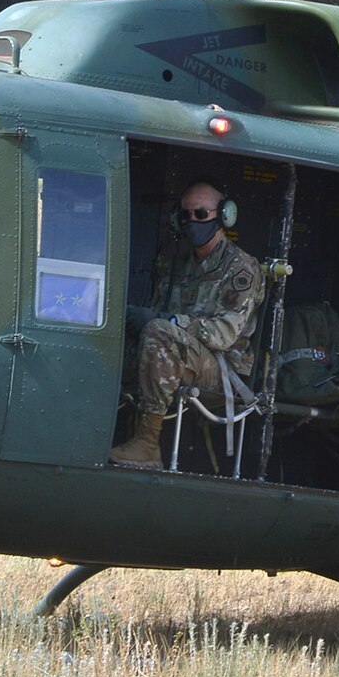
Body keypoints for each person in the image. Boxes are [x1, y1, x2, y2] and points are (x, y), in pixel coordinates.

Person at [108, 180, 266, 469]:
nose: (192, 221)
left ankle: (147, 444)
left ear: (224, 216)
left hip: (221, 370)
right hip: (180, 355)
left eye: (201, 214)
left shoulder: (241, 267)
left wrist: (171, 322)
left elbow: (224, 335)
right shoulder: (174, 262)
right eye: (185, 215)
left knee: (158, 331)